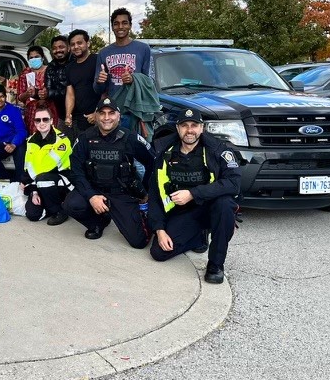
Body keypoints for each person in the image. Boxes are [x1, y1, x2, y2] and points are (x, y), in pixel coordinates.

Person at [147, 108, 241, 284]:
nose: (189, 130)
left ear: (202, 128)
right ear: (178, 128)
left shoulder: (217, 150)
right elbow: (155, 193)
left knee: (225, 205)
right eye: (184, 126)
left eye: (194, 125)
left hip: (210, 207)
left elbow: (234, 183)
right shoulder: (164, 152)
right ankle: (198, 235)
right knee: (158, 253)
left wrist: (193, 193)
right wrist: (159, 230)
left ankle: (215, 264)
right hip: (182, 211)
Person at [63, 95, 155, 246]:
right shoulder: (85, 138)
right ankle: (98, 222)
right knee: (71, 204)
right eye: (102, 113)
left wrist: (145, 191)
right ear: (96, 116)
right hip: (95, 189)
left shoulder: (130, 138)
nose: (107, 118)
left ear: (118, 116)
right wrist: (91, 196)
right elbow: (76, 171)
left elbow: (153, 162)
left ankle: (140, 215)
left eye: (111, 113)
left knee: (139, 242)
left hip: (122, 192)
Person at [21, 105, 73, 226]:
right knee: (33, 215)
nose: (41, 123)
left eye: (45, 119)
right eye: (38, 120)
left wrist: (27, 182)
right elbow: (28, 167)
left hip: (61, 182)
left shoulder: (62, 141)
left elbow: (46, 167)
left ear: (51, 120)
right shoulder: (31, 141)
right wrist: (34, 192)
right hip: (39, 182)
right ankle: (51, 207)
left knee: (43, 178)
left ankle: (60, 211)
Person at [94, 7, 153, 95]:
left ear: (130, 25)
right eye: (116, 24)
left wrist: (133, 79)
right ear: (112, 27)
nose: (120, 27)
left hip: (137, 105)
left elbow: (150, 82)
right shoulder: (103, 53)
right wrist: (99, 82)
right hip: (113, 106)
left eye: (124, 23)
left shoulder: (143, 49)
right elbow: (97, 90)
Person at [0, 83, 27, 182]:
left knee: (21, 149)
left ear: (5, 97)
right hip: (0, 145)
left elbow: (21, 131)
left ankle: (20, 180)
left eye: (2, 96)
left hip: (14, 143)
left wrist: (13, 144)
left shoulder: (14, 110)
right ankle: (6, 178)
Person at [64, 29, 100, 135]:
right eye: (72, 44)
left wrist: (98, 112)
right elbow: (70, 94)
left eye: (79, 43)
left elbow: (106, 90)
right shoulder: (69, 68)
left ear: (87, 43)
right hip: (79, 120)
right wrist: (68, 115)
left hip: (100, 120)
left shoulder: (98, 60)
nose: (76, 47)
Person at [17, 45, 57, 134]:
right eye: (31, 58)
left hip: (49, 110)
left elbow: (57, 92)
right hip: (31, 113)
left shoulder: (51, 71)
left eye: (36, 57)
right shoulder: (25, 73)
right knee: (34, 138)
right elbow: (20, 97)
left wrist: (46, 94)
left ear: (42, 58)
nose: (34, 59)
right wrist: (27, 94)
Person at [44, 35, 71, 128]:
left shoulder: (76, 64)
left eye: (61, 47)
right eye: (55, 48)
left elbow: (75, 91)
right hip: (59, 115)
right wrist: (38, 93)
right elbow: (48, 89)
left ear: (68, 48)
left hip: (80, 114)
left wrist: (49, 93)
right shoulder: (50, 67)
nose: (58, 50)